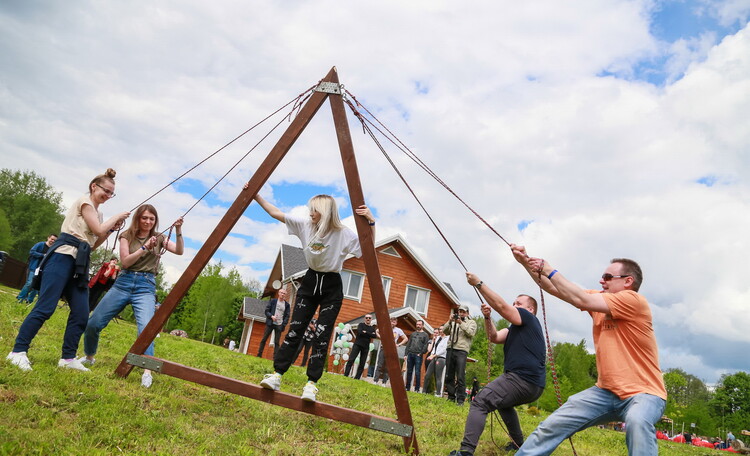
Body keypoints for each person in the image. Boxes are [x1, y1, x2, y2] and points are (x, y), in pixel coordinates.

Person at [511, 244, 667, 456]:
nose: (601, 281)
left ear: (628, 281)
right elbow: (554, 288)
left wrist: (549, 269)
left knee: (637, 420)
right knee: (552, 425)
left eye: (608, 276)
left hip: (645, 393)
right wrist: (525, 262)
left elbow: (579, 297)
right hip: (605, 392)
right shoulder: (600, 303)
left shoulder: (634, 301)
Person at [254, 193, 375, 402]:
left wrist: (371, 222)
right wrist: (255, 196)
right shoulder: (305, 225)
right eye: (310, 209)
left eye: (315, 209)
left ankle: (311, 384)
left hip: (331, 285)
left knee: (322, 334)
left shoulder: (342, 233)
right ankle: (277, 375)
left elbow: (368, 248)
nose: (311, 213)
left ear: (326, 212)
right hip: (309, 282)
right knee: (295, 330)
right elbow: (275, 213)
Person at [7, 169, 129, 372]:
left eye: (111, 194)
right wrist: (115, 218)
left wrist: (110, 229)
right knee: (45, 307)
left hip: (79, 261)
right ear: (94, 186)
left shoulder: (98, 213)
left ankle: (68, 358)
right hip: (62, 257)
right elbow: (97, 230)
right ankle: (18, 352)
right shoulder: (84, 202)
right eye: (105, 191)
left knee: (81, 312)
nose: (107, 196)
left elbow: (93, 243)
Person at [83, 204, 184, 388]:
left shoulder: (160, 238)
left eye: (151, 219)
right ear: (138, 218)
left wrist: (178, 230)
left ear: (155, 221)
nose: (147, 221)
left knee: (146, 330)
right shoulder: (127, 235)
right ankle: (89, 357)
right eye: (144, 218)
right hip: (124, 282)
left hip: (146, 286)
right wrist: (145, 247)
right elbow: (126, 262)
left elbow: (179, 251)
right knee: (93, 323)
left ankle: (147, 371)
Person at [449, 273, 546, 456]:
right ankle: (518, 444)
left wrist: (478, 284)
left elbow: (502, 306)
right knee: (503, 404)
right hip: (533, 385)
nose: (514, 305)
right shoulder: (514, 329)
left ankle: (465, 452)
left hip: (521, 379)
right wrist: (487, 318)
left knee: (481, 402)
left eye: (519, 303)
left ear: (530, 309)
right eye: (514, 303)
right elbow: (493, 337)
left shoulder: (528, 318)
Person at [442, 304, 477, 406]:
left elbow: (471, 333)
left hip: (462, 350)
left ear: (467, 313)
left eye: (463, 312)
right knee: (449, 374)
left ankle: (461, 399)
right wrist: (450, 321)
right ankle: (451, 397)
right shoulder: (453, 321)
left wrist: (461, 323)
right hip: (451, 348)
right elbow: (444, 331)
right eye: (460, 311)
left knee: (460, 375)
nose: (461, 313)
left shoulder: (471, 322)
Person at [16, 234, 57, 304]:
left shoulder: (53, 249)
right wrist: (42, 255)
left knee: (36, 286)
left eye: (54, 240)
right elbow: (32, 252)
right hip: (33, 267)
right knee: (29, 283)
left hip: (43, 270)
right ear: (48, 238)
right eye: (52, 239)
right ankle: (20, 298)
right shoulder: (40, 244)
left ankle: (29, 301)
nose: (52, 241)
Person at [372, 317, 408, 386]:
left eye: (394, 322)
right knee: (380, 365)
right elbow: (377, 331)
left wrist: (399, 344)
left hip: (392, 350)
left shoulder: (398, 330)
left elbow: (406, 338)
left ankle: (384, 382)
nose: (392, 323)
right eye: (391, 322)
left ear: (396, 323)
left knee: (387, 366)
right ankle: (375, 381)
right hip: (384, 348)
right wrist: (381, 337)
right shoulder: (385, 327)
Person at [256, 289, 291, 359]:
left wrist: (283, 324)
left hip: (279, 324)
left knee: (277, 342)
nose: (282, 294)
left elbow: (287, 316)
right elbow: (266, 311)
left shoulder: (287, 305)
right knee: (264, 339)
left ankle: (275, 358)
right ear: (279, 293)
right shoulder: (273, 301)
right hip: (270, 323)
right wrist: (271, 316)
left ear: (285, 295)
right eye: (281, 293)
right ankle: (259, 354)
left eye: (284, 293)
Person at [344, 314, 377, 379]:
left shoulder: (372, 328)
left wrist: (365, 332)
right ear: (364, 319)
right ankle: (346, 375)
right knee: (351, 359)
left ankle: (357, 378)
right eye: (367, 318)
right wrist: (369, 334)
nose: (368, 319)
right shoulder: (361, 325)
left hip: (366, 347)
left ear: (371, 319)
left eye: (369, 318)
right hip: (357, 345)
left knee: (362, 363)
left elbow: (374, 336)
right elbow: (360, 332)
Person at [404, 320, 430, 392]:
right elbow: (408, 344)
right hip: (410, 354)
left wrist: (421, 353)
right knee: (409, 371)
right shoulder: (413, 334)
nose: (418, 326)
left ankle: (417, 389)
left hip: (418, 355)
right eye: (417, 324)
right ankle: (407, 387)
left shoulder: (425, 335)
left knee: (417, 372)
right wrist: (406, 354)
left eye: (419, 324)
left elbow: (425, 346)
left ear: (422, 326)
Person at [422, 326, 448, 396]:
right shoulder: (438, 338)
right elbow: (434, 348)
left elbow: (444, 350)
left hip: (441, 358)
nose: (440, 331)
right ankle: (423, 391)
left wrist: (434, 355)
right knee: (427, 374)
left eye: (442, 329)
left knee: (438, 376)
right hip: (434, 357)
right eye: (439, 329)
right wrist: (432, 355)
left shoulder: (447, 338)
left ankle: (438, 393)